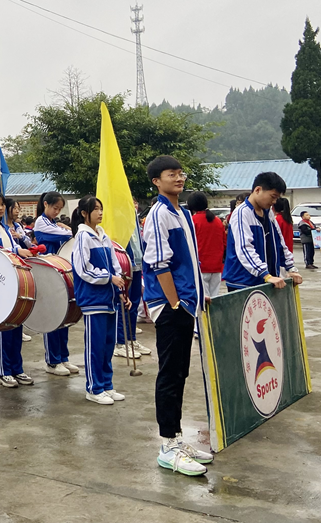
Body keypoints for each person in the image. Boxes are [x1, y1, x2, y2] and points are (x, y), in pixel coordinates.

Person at [141, 156, 213, 477]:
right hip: (171, 307)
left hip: (186, 303)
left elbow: (190, 261)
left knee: (180, 372)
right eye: (172, 174)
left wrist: (198, 293)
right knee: (170, 374)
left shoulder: (181, 213)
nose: (179, 178)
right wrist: (174, 303)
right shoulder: (158, 215)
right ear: (157, 181)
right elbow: (159, 264)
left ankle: (178, 438)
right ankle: (168, 445)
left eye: (181, 173)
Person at [70, 196, 128, 405]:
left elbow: (115, 264)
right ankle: (94, 388)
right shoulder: (82, 237)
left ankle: (106, 385)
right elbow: (83, 269)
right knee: (95, 346)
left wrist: (118, 288)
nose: (100, 213)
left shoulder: (103, 236)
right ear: (84, 213)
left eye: (101, 209)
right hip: (93, 299)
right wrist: (109, 278)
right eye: (96, 209)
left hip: (108, 298)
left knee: (108, 344)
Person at [0, 191, 34, 389]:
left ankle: (17, 368)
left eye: (3, 204)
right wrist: (14, 251)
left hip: (13, 279)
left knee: (16, 326)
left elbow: (13, 247)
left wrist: (21, 251)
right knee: (5, 328)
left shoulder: (4, 228)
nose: (1, 208)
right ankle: (4, 371)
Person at [223, 172, 302, 292]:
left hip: (266, 280)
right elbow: (245, 249)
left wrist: (291, 268)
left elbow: (280, 243)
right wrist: (265, 274)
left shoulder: (268, 213)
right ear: (258, 190)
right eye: (273, 196)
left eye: (277, 198)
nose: (274, 201)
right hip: (243, 283)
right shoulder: (241, 213)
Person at [34, 191, 80, 376]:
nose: (57, 212)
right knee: (53, 318)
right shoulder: (41, 222)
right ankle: (52, 361)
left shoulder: (52, 222)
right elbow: (68, 234)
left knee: (64, 317)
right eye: (55, 208)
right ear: (45, 204)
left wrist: (64, 227)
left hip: (60, 272)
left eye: (60, 209)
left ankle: (63, 357)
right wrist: (67, 228)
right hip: (48, 273)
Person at [115, 198, 152, 358]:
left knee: (134, 303)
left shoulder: (135, 219)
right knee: (124, 304)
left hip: (137, 264)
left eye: (135, 203)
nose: (134, 206)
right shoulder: (119, 220)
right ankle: (120, 342)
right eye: (130, 203)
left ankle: (131, 339)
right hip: (125, 265)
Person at [188, 192, 225, 299]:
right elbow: (224, 242)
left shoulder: (193, 221)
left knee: (203, 300)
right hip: (216, 266)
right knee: (214, 298)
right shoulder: (217, 221)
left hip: (200, 266)